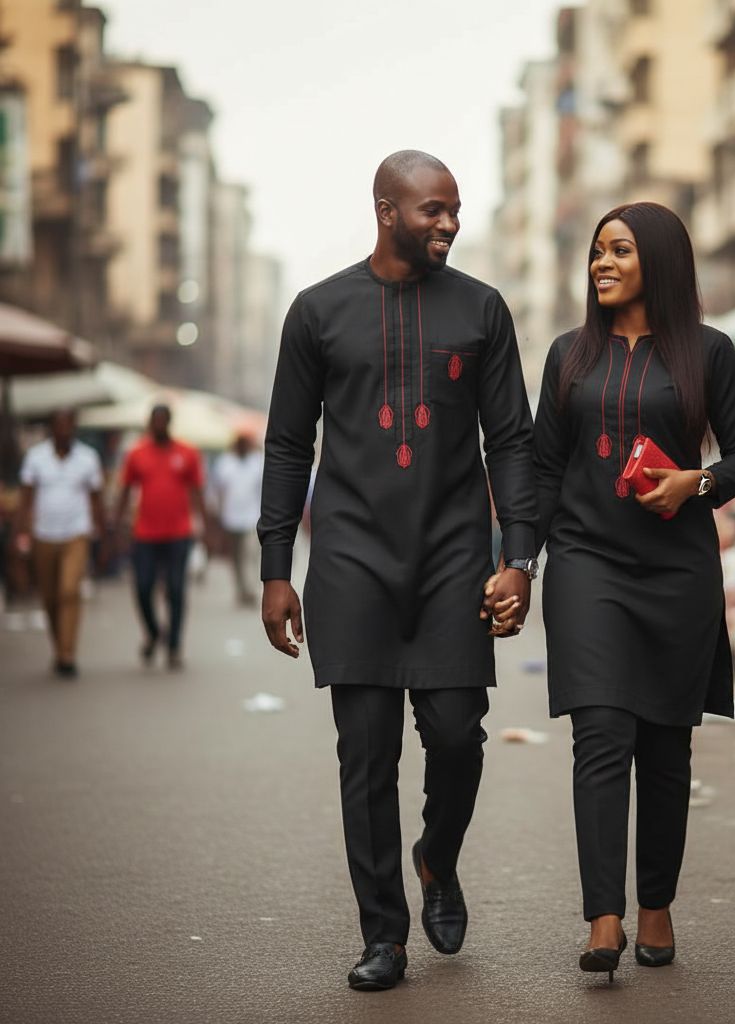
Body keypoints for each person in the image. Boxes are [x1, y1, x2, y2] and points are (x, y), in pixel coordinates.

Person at [258, 150, 536, 992]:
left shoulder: (483, 310)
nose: (450, 223)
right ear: (387, 211)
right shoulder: (318, 312)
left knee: (457, 736)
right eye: (433, 211)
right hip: (351, 558)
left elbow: (512, 441)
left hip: (455, 555)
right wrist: (278, 566)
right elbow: (286, 444)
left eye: (455, 209)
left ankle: (437, 857)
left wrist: (520, 557)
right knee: (366, 758)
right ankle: (384, 935)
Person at [525, 203, 735, 980]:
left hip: (677, 571)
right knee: (600, 735)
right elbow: (544, 470)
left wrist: (698, 482)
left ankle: (656, 903)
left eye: (619, 250)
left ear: (657, 260)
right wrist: (518, 563)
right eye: (597, 251)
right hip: (586, 564)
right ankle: (604, 916)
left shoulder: (710, 353)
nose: (601, 262)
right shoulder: (567, 355)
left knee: (665, 746)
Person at [113, 404, 208, 670]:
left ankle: (174, 645)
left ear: (169, 422)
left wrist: (207, 528)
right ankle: (154, 632)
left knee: (176, 589)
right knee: (143, 587)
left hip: (179, 533)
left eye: (163, 421)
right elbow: (124, 491)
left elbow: (198, 491)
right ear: (149, 423)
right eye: (154, 421)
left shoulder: (187, 453)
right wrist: (117, 527)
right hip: (144, 534)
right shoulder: (137, 454)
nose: (159, 425)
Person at [15, 409, 105, 677]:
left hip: (76, 534)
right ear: (51, 429)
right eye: (59, 426)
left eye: (69, 426)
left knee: (69, 591)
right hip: (44, 534)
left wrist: (103, 535)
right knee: (50, 596)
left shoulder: (88, 458)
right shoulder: (36, 458)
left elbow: (96, 499)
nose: (64, 431)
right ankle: (59, 646)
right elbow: (25, 499)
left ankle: (68, 654)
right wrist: (20, 535)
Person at [210, 433, 263, 606]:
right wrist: (217, 516)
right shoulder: (225, 464)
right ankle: (240, 590)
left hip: (251, 518)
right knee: (235, 558)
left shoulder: (257, 463)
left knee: (250, 555)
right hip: (230, 519)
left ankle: (250, 590)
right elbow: (217, 491)